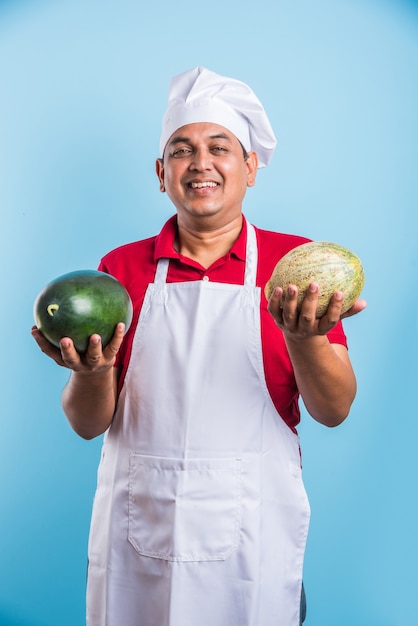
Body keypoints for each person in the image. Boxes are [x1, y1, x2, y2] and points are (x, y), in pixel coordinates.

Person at [32, 66, 366, 626]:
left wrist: (306, 340)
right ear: (162, 174)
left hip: (253, 540)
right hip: (140, 532)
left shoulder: (295, 269)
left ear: (250, 167)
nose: (201, 163)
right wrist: (89, 374)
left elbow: (334, 411)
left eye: (220, 147)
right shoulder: (120, 272)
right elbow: (89, 424)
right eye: (182, 150)